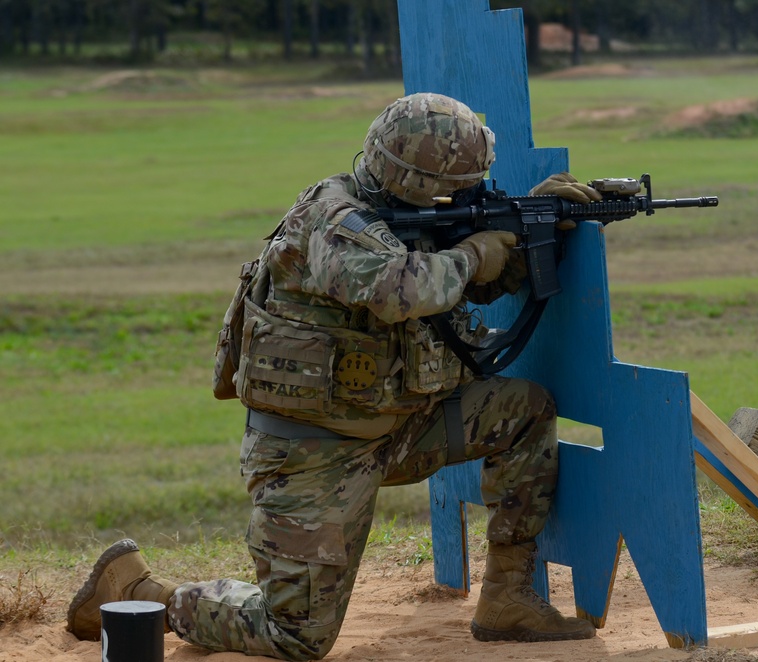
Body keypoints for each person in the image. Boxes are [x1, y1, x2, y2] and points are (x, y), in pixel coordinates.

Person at [66, 92, 603, 660]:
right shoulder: (333, 219)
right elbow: (401, 290)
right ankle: (141, 591)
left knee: (524, 411)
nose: (463, 197)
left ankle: (507, 599)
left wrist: (534, 223)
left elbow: (479, 282)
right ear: (413, 182)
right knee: (297, 636)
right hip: (312, 456)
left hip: (400, 429)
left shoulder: (412, 213)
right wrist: (474, 254)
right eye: (453, 188)